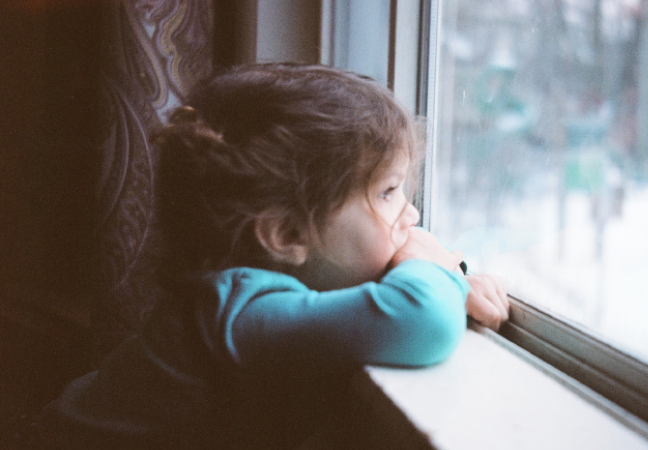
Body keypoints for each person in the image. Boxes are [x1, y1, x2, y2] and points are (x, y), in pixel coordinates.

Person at [37, 63, 509, 449]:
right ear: (284, 233)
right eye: (387, 192)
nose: (413, 213)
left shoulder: (255, 301)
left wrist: (455, 282)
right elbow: (418, 319)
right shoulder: (239, 310)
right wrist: (429, 267)